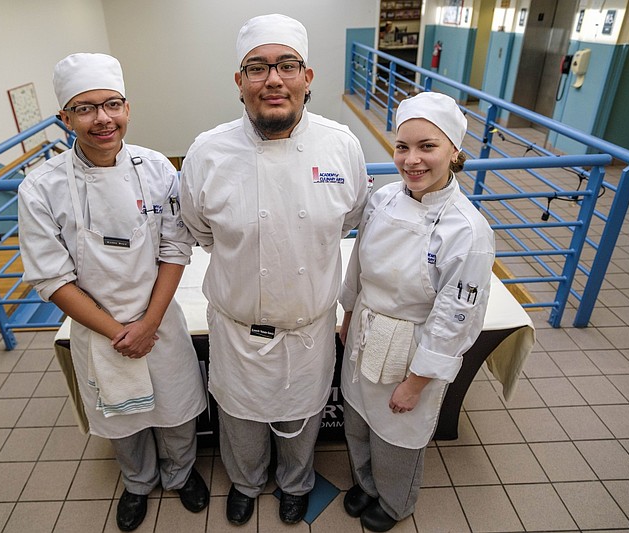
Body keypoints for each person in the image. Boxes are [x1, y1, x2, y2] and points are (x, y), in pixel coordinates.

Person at [179, 13, 369, 526]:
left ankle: (295, 483)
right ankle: (245, 482)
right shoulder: (207, 152)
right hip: (237, 330)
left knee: (303, 417)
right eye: (257, 68)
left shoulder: (341, 146)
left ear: (308, 78)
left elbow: (349, 219)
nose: (273, 79)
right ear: (239, 82)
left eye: (287, 65)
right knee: (239, 419)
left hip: (309, 331)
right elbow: (196, 229)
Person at [17, 53, 208, 532]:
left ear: (127, 107)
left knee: (176, 406)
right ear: (65, 118)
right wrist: (118, 332)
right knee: (122, 420)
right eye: (85, 109)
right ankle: (138, 482)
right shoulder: (41, 187)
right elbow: (51, 277)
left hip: (158, 318)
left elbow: (174, 249)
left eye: (112, 105)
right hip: (96, 326)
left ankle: (180, 473)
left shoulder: (157, 168)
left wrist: (147, 325)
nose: (102, 119)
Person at [338, 91, 495, 531]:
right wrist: (349, 315)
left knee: (398, 437)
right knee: (359, 420)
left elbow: (454, 320)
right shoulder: (384, 199)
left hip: (411, 347)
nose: (412, 160)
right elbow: (358, 267)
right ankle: (367, 484)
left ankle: (394, 502)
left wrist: (416, 382)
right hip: (366, 329)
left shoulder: (467, 231)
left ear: (455, 151)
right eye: (403, 147)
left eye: (428, 147)